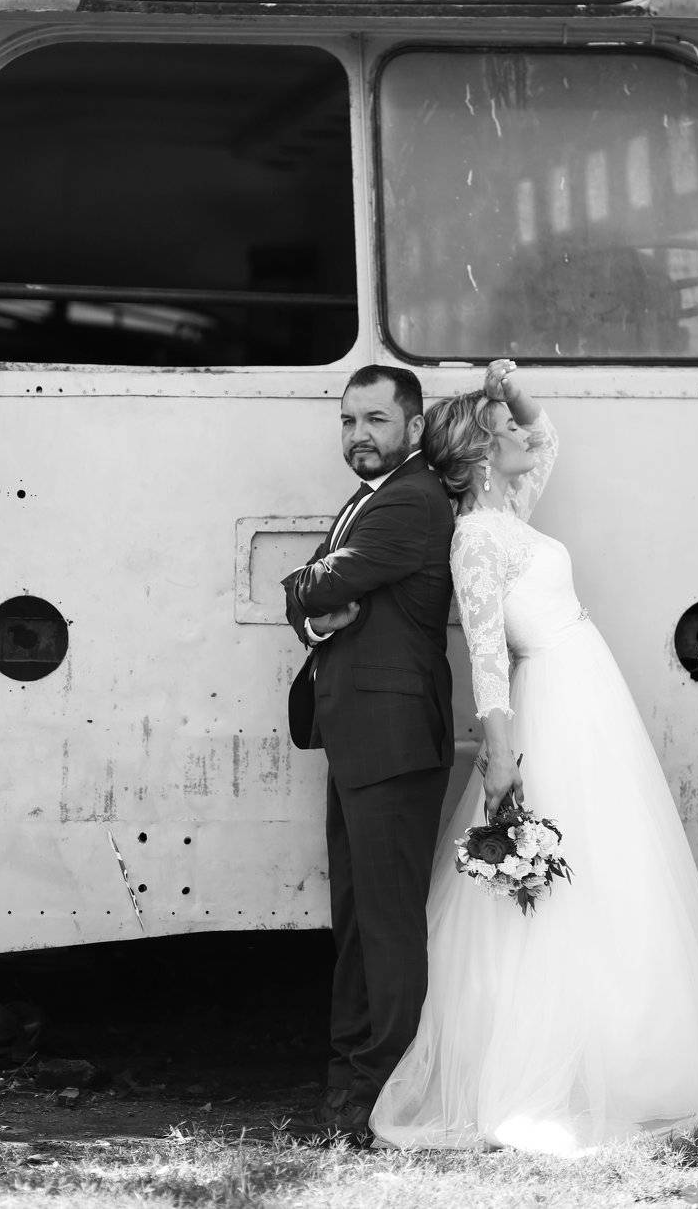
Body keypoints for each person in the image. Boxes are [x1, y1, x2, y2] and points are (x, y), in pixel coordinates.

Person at [370, 359, 698, 1154]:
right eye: (505, 430)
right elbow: (485, 653)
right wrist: (500, 756)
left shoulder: (511, 509)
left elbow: (544, 435)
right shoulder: (476, 538)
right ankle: (558, 1065)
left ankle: (635, 1052)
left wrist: (508, 390)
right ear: (482, 454)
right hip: (550, 704)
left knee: (614, 866)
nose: (523, 436)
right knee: (561, 879)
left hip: (588, 696)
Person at [282, 364, 455, 1144]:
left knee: (386, 926)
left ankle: (384, 1096)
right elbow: (312, 598)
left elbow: (314, 582)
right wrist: (313, 610)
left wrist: (307, 592)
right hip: (357, 737)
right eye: (348, 420)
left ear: (412, 427)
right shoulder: (370, 496)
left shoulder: (412, 500)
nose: (358, 434)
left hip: (393, 742)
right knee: (355, 922)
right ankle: (348, 1080)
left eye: (375, 420)